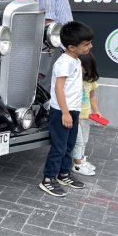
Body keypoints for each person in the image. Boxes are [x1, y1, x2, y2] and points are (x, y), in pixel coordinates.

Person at [39, 20, 94, 197]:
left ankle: (64, 174)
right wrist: (64, 112)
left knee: (69, 145)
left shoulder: (75, 60)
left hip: (73, 110)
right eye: (86, 44)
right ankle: (48, 179)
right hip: (62, 112)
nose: (89, 47)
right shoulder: (64, 63)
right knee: (59, 147)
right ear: (71, 46)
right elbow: (58, 88)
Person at [72, 53, 101, 176]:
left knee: (84, 140)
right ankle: (77, 165)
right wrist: (74, 115)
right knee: (78, 141)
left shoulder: (90, 82)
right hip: (75, 116)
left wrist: (96, 111)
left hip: (86, 116)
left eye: (83, 67)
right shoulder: (72, 80)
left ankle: (82, 160)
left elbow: (92, 97)